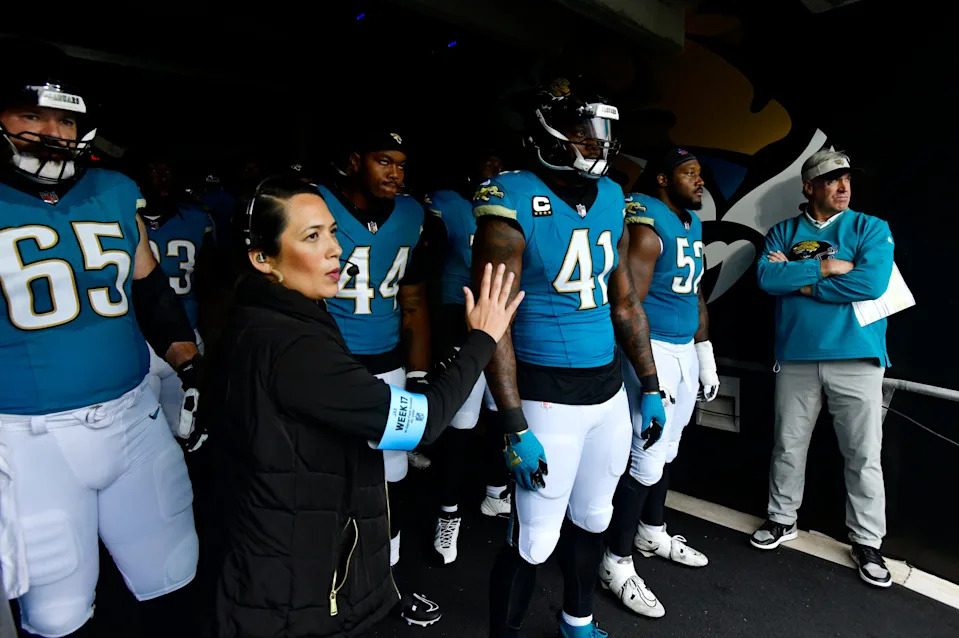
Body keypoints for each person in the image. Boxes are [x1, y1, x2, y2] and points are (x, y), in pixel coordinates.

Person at [203, 177, 523, 638]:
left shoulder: (266, 315)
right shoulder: (292, 345)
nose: (335, 249)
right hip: (290, 587)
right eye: (312, 236)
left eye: (333, 232)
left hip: (279, 557)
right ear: (262, 258)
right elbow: (421, 424)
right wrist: (482, 339)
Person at [0, 40, 203, 637]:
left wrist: (188, 362)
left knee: (174, 573)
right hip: (27, 440)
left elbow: (148, 288)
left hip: (133, 417)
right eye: (33, 114)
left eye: (66, 118)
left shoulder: (115, 189)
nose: (52, 132)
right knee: (57, 614)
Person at [476, 77, 666, 638]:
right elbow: (495, 321)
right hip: (545, 395)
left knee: (594, 519)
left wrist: (650, 385)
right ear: (549, 137)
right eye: (585, 135)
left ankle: (577, 620)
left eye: (603, 135)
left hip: (605, 390)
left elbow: (625, 299)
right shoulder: (509, 197)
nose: (599, 147)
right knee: (534, 536)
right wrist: (512, 421)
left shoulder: (612, 197)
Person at [751, 150, 895, 589]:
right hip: (796, 356)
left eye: (847, 179)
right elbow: (766, 279)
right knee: (788, 446)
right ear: (809, 187)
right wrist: (830, 266)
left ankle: (868, 542)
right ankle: (781, 520)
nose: (843, 187)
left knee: (864, 454)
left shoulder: (870, 227)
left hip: (858, 357)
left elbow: (871, 283)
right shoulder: (782, 232)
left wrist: (803, 281)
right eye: (832, 180)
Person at [317, 129, 439, 623]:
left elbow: (412, 302)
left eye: (402, 164)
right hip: (328, 366)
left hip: (388, 368)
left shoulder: (412, 215)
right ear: (354, 161)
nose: (395, 172)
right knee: (322, 482)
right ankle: (321, 588)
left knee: (390, 485)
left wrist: (421, 375)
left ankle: (384, 583)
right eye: (384, 160)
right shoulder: (316, 205)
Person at [601, 148, 717, 619]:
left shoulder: (691, 223)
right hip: (656, 354)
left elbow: (696, 292)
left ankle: (651, 530)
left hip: (684, 348)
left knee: (668, 448)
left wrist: (705, 352)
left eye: (701, 174)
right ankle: (616, 560)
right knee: (645, 457)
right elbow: (630, 306)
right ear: (665, 180)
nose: (700, 182)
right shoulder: (648, 226)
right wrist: (646, 374)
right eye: (690, 174)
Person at [425, 148, 512, 565]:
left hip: (506, 327)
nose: (493, 167)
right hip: (463, 322)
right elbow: (431, 274)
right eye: (487, 160)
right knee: (460, 428)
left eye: (499, 163)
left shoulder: (513, 201)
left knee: (502, 417)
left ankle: (496, 492)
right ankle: (448, 514)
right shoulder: (450, 206)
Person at [136, 154, 215, 438]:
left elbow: (210, 279)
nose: (162, 177)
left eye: (167, 170)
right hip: (137, 339)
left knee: (187, 427)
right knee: (142, 433)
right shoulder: (121, 217)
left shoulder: (196, 218)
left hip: (187, 333)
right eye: (154, 168)